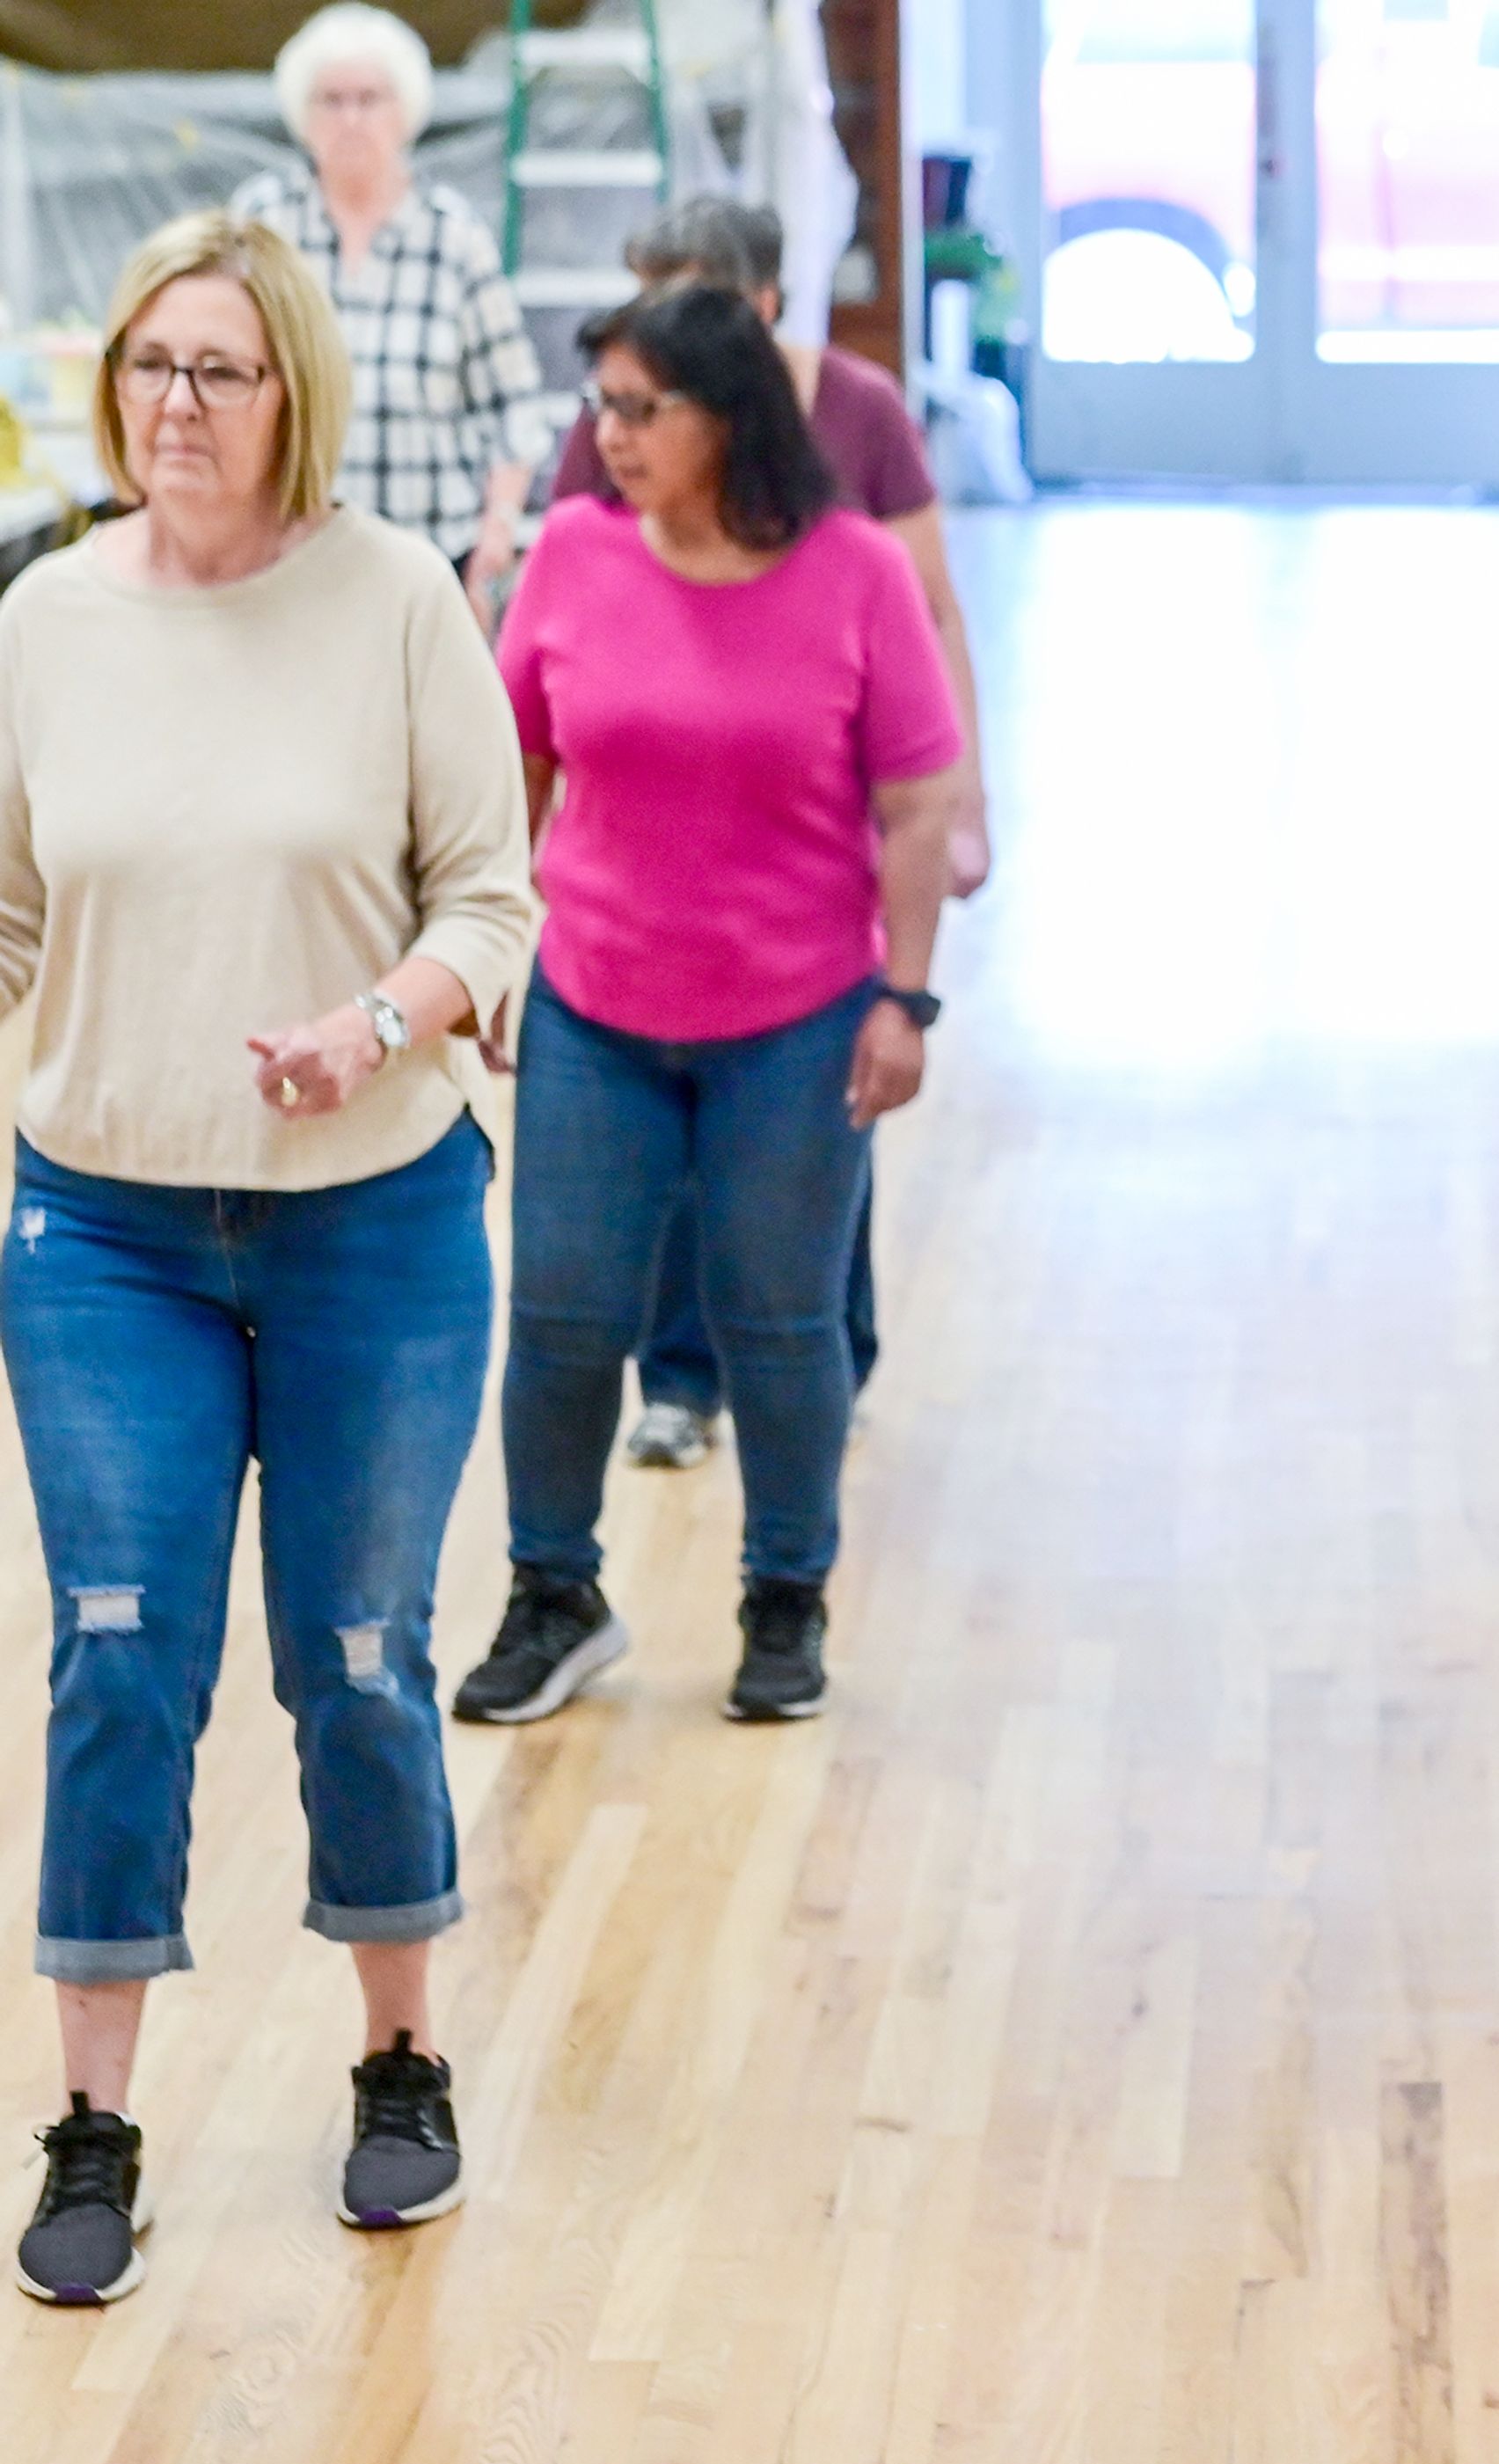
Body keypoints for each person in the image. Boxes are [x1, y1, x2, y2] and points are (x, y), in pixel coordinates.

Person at [0, 213, 534, 2303]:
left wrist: (376, 1023)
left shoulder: (396, 600)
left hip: (377, 1227)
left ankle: (401, 2064)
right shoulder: (44, 617)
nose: (174, 404)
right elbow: (14, 919)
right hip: (102, 1231)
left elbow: (493, 900)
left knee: (365, 1659)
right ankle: (95, 2118)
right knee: (121, 1655)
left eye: (219, 369)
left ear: (292, 385)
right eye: (149, 363)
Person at [457, 284, 962, 1729]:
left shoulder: (855, 571)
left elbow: (918, 804)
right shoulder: (571, 554)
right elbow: (517, 775)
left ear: (726, 415)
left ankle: (784, 1596)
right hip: (594, 1007)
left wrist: (905, 999)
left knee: (780, 1321)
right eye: (598, 406)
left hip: (795, 1021)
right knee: (559, 1318)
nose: (605, 437)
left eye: (637, 408)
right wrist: (493, 952)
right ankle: (555, 1591)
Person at [550, 197, 995, 1472]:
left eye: (682, 300)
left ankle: (818, 1363)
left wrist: (967, 796)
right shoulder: (623, 433)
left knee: (800, 1152)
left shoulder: (856, 412)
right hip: (664, 831)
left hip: (820, 829)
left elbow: (933, 606)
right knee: (676, 1154)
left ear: (754, 310)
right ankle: (683, 1379)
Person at [231, 4, 546, 605]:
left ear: (405, 111)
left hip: (429, 560)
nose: (351, 118)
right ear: (302, 113)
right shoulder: (262, 224)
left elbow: (515, 405)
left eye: (369, 98)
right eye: (331, 99)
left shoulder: (453, 236)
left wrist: (496, 534)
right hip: (284, 554)